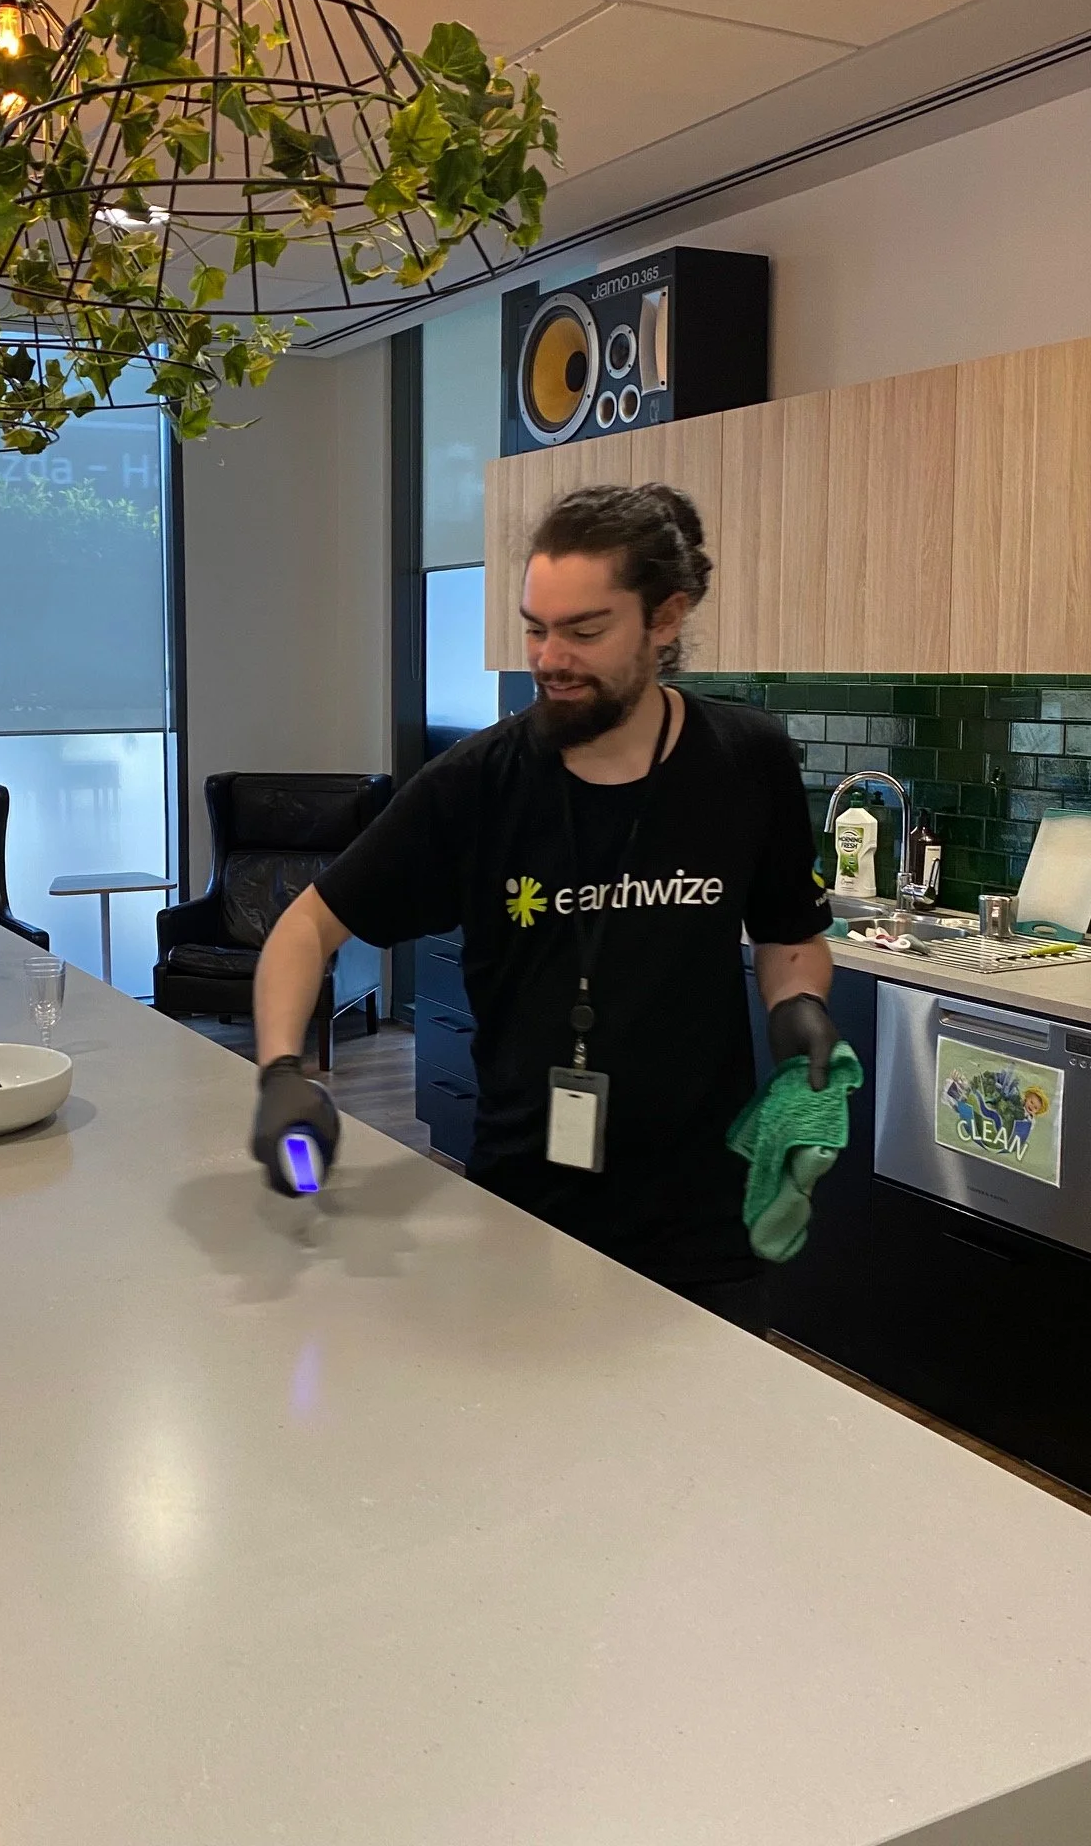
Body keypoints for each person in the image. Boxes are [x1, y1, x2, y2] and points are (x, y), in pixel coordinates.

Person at [249, 483, 838, 1336]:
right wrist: (278, 1073)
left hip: (707, 1212)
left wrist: (801, 1003)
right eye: (536, 626)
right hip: (525, 1203)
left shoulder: (746, 761)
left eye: (585, 631)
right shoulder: (476, 783)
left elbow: (790, 933)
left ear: (664, 620)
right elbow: (307, 927)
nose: (549, 656)